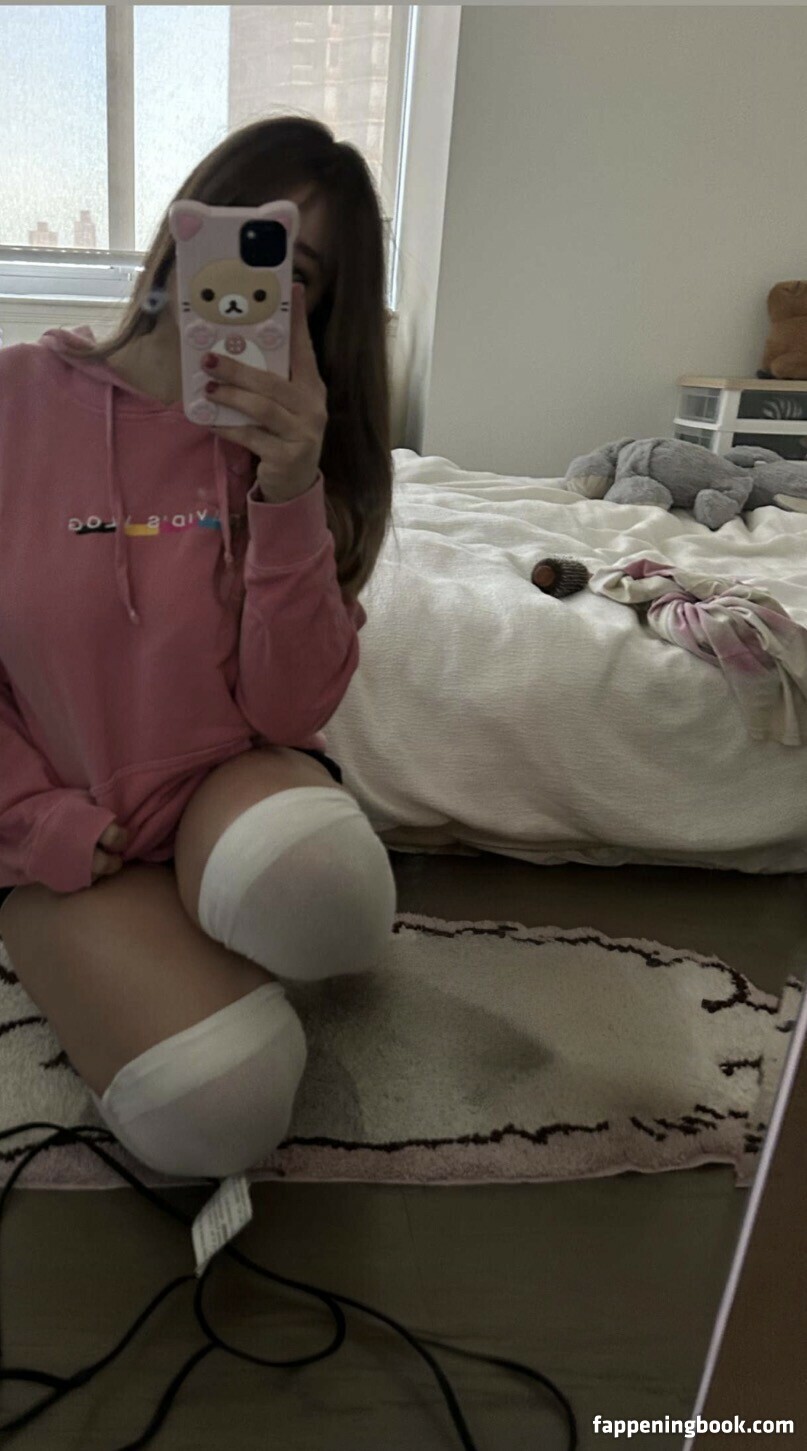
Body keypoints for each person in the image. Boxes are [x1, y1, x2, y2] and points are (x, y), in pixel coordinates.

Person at [0, 115, 398, 1181]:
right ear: (186, 228)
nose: (253, 280)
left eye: (295, 271)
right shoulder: (13, 400)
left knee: (332, 899)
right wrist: (36, 826)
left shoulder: (305, 449)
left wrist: (289, 485)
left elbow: (288, 709)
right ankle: (117, 935)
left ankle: (210, 909)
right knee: (219, 1114)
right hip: (67, 831)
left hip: (228, 779)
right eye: (245, 233)